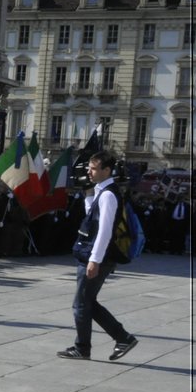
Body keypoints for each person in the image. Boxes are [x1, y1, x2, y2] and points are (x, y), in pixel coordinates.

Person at [60, 149, 139, 361]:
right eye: (89, 168)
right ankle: (122, 338)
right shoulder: (101, 192)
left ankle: (84, 347)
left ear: (107, 170)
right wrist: (88, 195)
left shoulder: (108, 195)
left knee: (81, 304)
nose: (89, 172)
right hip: (95, 255)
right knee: (88, 302)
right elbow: (92, 219)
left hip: (97, 257)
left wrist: (94, 260)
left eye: (94, 168)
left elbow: (104, 231)